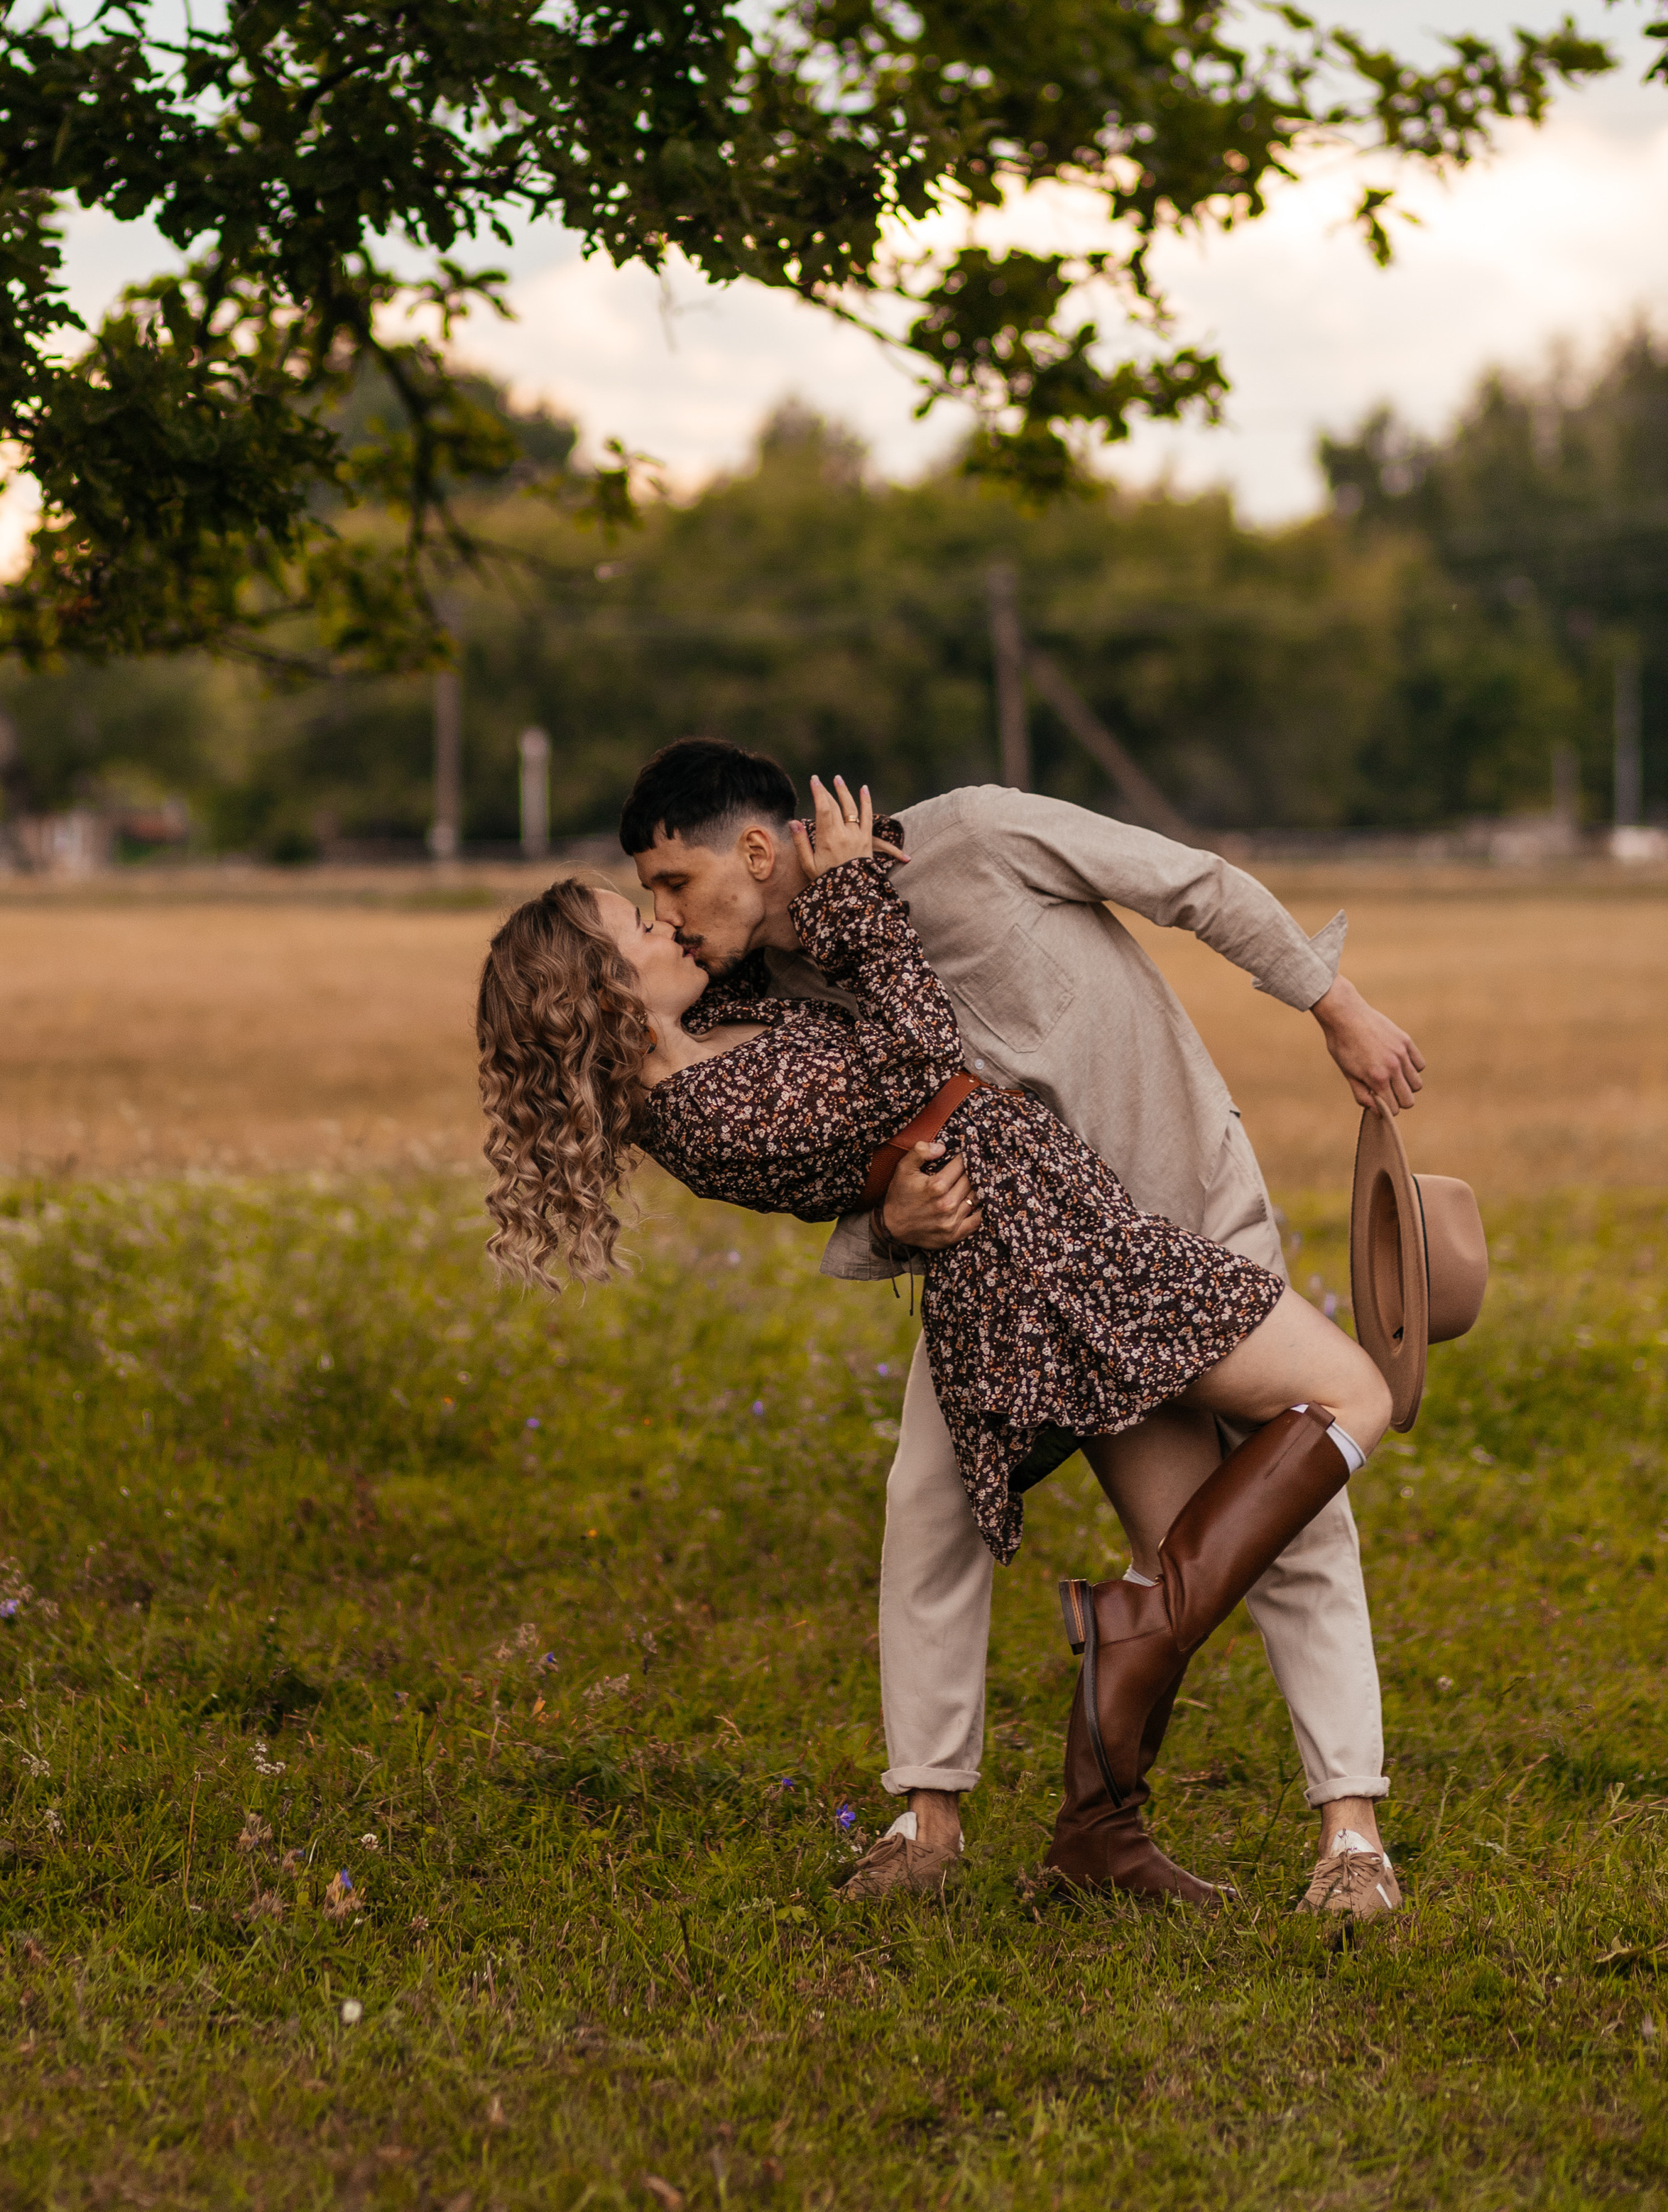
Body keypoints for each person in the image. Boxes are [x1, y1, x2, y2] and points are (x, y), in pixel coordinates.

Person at [477, 773, 1395, 1908]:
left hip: (1170, 1193)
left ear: (758, 852)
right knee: (944, 1507)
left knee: (1259, 1523)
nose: (664, 914)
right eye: (642, 907)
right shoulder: (736, 992)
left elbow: (1191, 885)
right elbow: (860, 1107)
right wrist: (885, 1211)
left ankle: (1344, 1834)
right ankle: (941, 1821)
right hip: (1040, 1247)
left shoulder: (969, 839)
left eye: (669, 884)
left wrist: (1334, 1002)